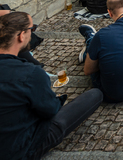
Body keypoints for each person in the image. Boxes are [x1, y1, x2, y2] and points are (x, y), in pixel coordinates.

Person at [0, 12, 103, 160]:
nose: (32, 33)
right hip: (20, 150)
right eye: (32, 29)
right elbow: (50, 110)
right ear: (21, 35)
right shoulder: (30, 73)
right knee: (95, 95)